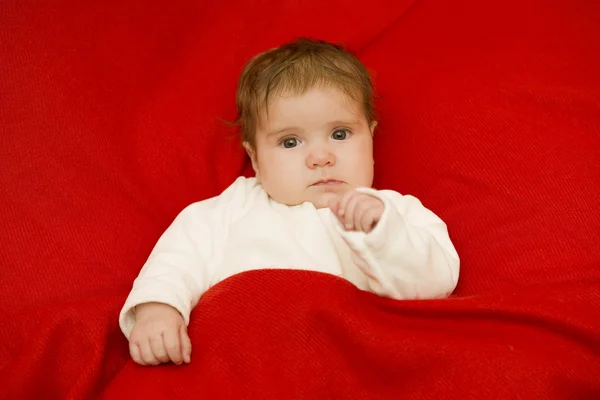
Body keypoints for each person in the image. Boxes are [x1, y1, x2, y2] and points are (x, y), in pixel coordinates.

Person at [119, 38, 460, 366]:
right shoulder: (230, 209)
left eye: (340, 134)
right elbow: (179, 257)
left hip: (351, 358)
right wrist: (159, 308)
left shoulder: (393, 212)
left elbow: (436, 283)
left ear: (370, 135)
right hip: (248, 357)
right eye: (290, 142)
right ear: (254, 157)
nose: (321, 157)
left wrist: (383, 233)